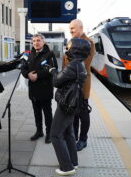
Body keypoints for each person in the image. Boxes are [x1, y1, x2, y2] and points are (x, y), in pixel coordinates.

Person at [49, 38, 90, 176]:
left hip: (66, 104)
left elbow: (56, 81)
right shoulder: (81, 64)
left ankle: (67, 167)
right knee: (68, 133)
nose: (67, 49)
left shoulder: (73, 65)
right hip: (73, 103)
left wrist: (53, 71)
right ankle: (74, 162)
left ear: (76, 49)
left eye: (69, 46)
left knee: (55, 135)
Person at [62, 19, 95, 151]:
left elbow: (83, 65)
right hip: (70, 81)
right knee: (73, 111)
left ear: (81, 28)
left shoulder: (89, 42)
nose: (70, 31)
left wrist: (66, 73)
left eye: (73, 28)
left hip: (82, 83)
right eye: (70, 29)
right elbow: (65, 60)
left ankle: (83, 139)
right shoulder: (70, 42)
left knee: (83, 112)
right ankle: (74, 135)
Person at [21, 33, 58, 144]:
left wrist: (37, 75)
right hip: (33, 89)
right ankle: (39, 131)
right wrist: (27, 74)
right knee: (36, 112)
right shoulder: (29, 54)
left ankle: (49, 133)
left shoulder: (49, 54)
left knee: (47, 112)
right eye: (34, 41)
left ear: (43, 42)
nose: (36, 43)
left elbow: (53, 70)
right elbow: (23, 67)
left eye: (38, 40)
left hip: (45, 88)